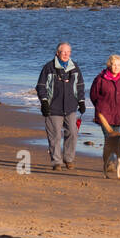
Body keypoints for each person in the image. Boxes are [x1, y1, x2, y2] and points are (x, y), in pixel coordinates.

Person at [36, 41, 85, 170]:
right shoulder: (49, 67)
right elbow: (41, 86)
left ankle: (69, 159)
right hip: (53, 108)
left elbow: (80, 86)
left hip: (70, 107)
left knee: (73, 133)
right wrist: (44, 102)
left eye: (68, 52)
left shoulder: (75, 68)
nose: (65, 54)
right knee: (55, 135)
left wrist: (81, 101)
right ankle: (56, 162)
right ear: (57, 53)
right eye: (63, 52)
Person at [89, 54, 120, 136]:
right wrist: (100, 107)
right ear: (109, 65)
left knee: (116, 140)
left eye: (119, 65)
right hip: (104, 114)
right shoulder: (100, 79)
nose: (116, 67)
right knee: (109, 139)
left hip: (118, 115)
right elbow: (93, 95)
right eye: (114, 65)